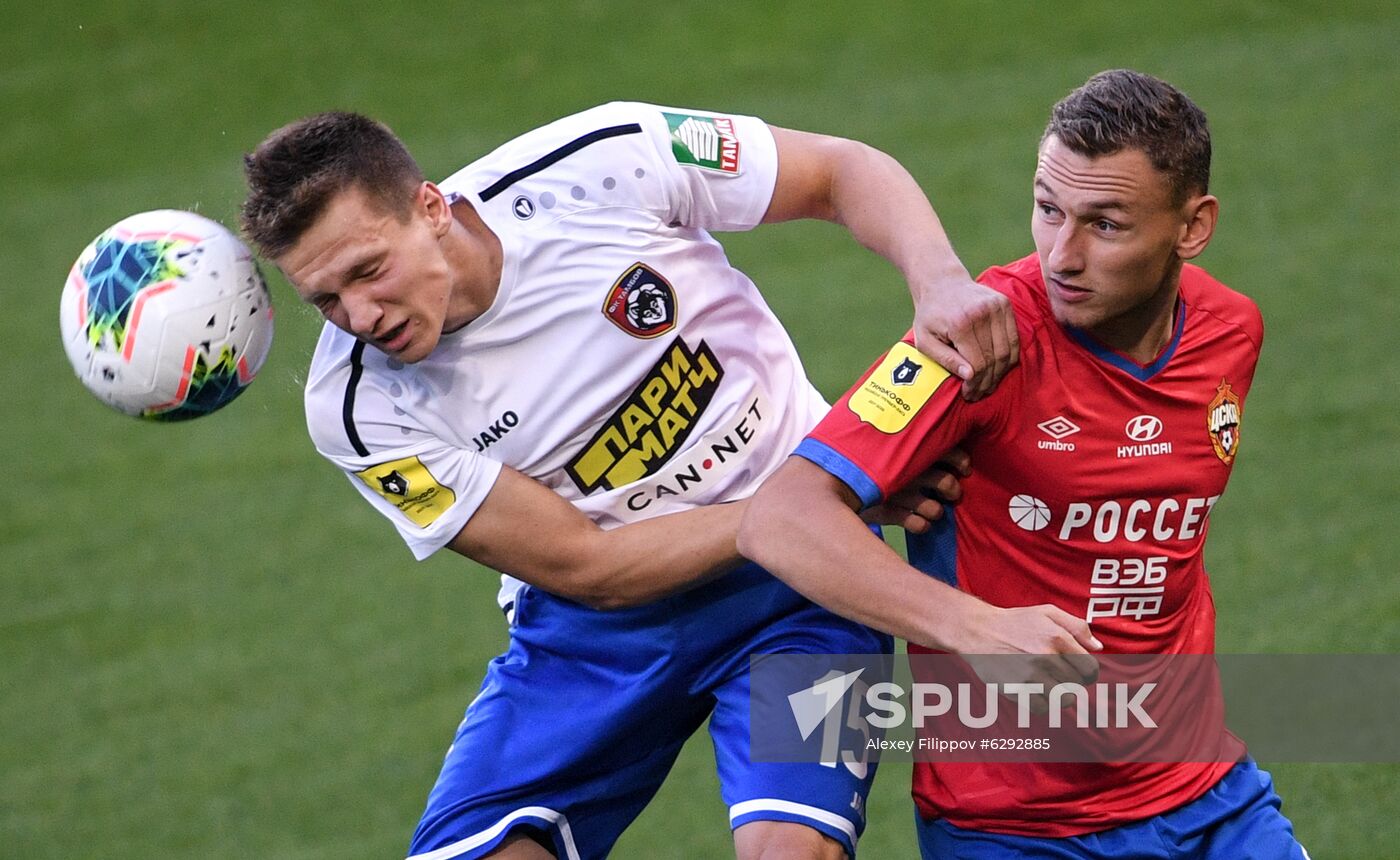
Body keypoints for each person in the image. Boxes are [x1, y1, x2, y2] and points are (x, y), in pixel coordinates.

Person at [240, 102, 1035, 859]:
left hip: (809, 592)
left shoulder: (602, 163)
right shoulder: (357, 407)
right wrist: (823, 494)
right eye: (326, 301)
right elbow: (589, 567)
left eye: (368, 270)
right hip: (598, 638)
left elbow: (839, 172)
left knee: (791, 849)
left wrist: (938, 284)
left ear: (431, 207)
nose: (361, 316)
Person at [739, 70, 1309, 858]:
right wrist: (975, 628)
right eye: (1048, 210)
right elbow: (781, 518)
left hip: (1208, 795)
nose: (1061, 256)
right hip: (1013, 829)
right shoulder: (975, 345)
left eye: (1105, 225)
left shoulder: (1230, 332)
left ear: (1193, 226)